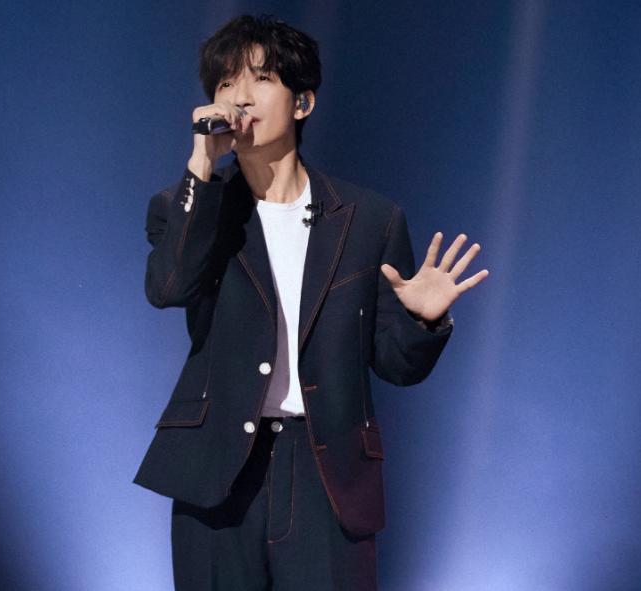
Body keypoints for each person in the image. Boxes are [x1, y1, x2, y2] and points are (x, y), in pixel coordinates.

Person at [134, 14, 488, 591]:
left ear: (302, 103)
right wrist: (202, 165)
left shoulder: (370, 220)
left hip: (326, 471)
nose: (239, 97)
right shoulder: (189, 206)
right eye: (225, 83)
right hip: (219, 467)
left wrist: (422, 321)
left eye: (260, 78)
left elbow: (396, 365)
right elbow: (169, 288)